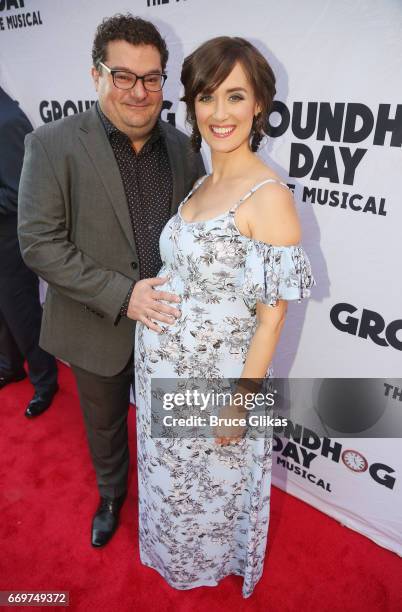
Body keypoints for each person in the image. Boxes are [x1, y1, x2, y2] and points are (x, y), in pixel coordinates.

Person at [134, 37, 315, 598]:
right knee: (172, 485)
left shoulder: (268, 197)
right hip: (161, 372)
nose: (219, 113)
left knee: (208, 489)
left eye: (235, 97)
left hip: (216, 385)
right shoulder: (203, 182)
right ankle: (169, 554)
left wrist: (239, 402)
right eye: (206, 97)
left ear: (258, 104)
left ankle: (200, 568)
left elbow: (271, 320)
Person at [18, 14, 205, 548]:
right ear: (96, 75)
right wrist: (124, 295)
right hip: (93, 325)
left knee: (167, 427)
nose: (139, 91)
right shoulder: (52, 143)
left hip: (168, 330)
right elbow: (40, 243)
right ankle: (110, 495)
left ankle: (167, 498)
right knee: (104, 429)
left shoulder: (183, 147)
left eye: (151, 77)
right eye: (123, 75)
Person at [0, 86, 58, 416]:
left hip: (9, 244)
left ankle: (45, 382)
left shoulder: (7, 121)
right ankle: (10, 365)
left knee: (22, 315)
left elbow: (21, 193)